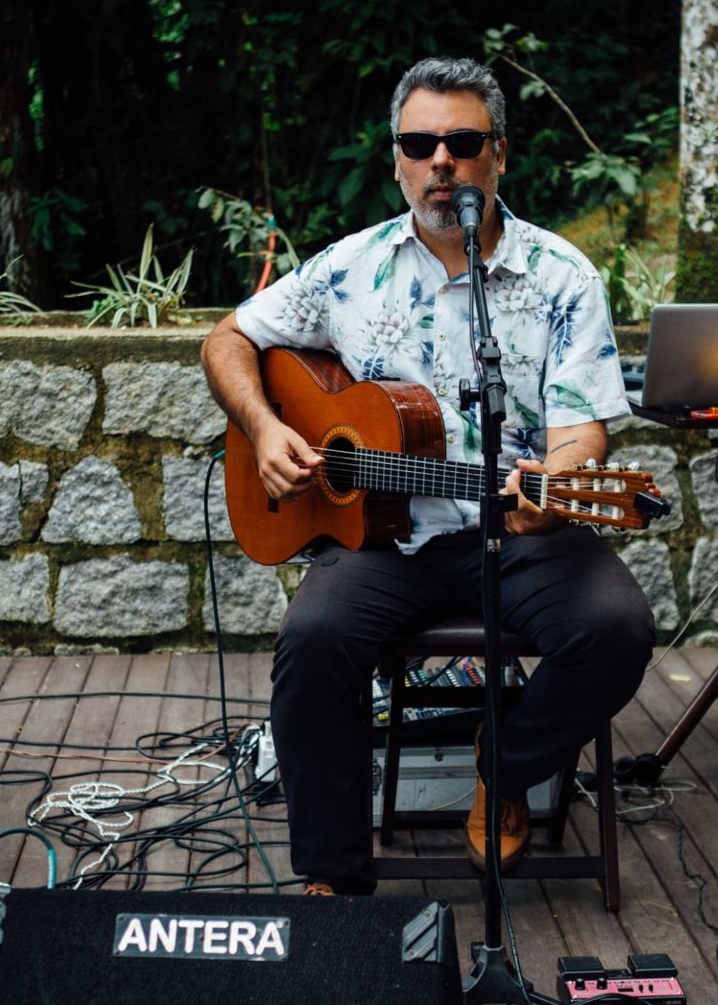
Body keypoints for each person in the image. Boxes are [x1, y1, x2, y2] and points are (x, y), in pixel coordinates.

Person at [200, 56, 656, 895]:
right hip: (384, 540)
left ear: (499, 156)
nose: (441, 160)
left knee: (618, 629)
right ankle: (333, 879)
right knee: (313, 643)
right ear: (398, 160)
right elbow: (228, 339)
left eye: (462, 141)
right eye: (421, 142)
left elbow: (583, 433)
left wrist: (550, 494)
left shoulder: (562, 277)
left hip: (518, 535)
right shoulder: (347, 268)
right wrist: (265, 429)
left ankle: (507, 763)